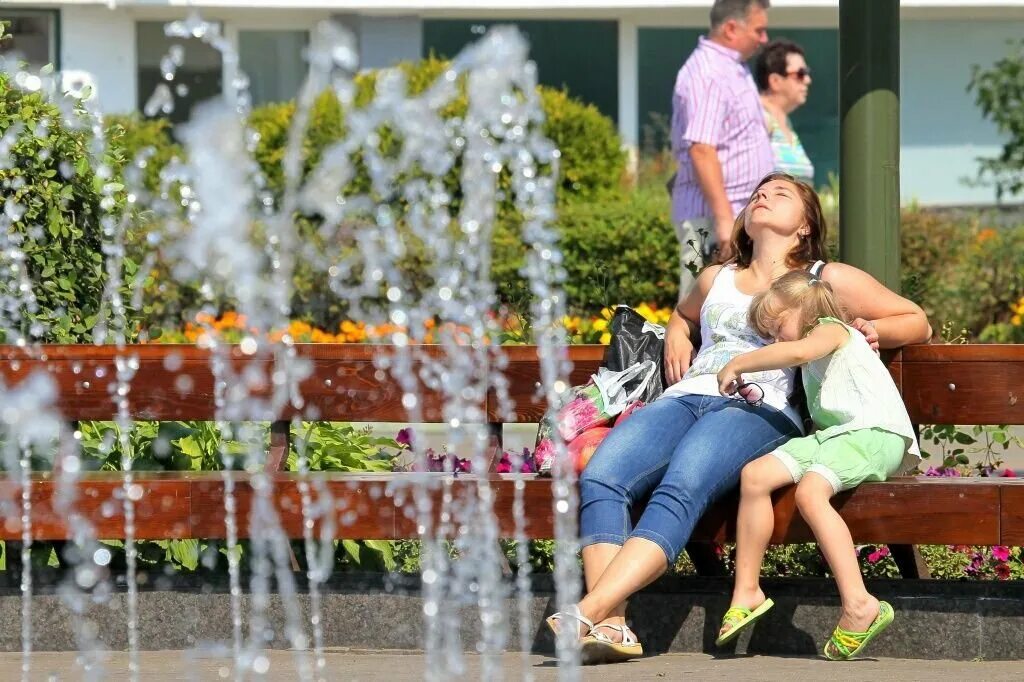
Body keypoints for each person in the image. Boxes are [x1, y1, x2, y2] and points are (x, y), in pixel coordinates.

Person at [545, 172, 931, 665]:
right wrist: (680, 332)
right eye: (757, 194)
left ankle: (588, 609)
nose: (763, 196)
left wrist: (872, 328)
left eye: (781, 193)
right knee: (603, 477)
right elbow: (683, 316)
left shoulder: (823, 279)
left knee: (682, 486)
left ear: (806, 226)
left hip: (759, 409)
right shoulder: (714, 278)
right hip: (685, 398)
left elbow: (916, 320)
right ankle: (613, 625)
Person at [713, 270, 920, 659]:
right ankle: (747, 591)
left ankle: (860, 604)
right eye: (768, 334)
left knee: (810, 492)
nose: (775, 339)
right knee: (755, 476)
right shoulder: (818, 345)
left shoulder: (831, 329)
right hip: (837, 437)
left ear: (805, 308)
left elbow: (798, 351)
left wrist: (741, 362)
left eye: (777, 326)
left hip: (874, 433)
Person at [670, 0, 773, 296]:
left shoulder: (730, 67)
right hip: (714, 219)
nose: (764, 39)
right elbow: (702, 149)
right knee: (702, 310)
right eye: (759, 30)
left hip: (734, 214)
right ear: (731, 28)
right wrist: (725, 220)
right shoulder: (709, 73)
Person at [755, 40, 815, 183]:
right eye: (801, 74)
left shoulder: (786, 124)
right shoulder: (758, 119)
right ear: (775, 81)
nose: (808, 80)